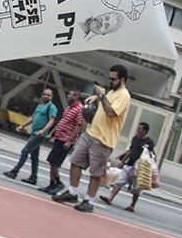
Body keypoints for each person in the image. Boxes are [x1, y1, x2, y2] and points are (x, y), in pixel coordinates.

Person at [53, 65, 131, 213]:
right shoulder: (112, 92)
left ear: (122, 79)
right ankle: (72, 192)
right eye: (110, 78)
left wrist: (102, 96)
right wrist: (97, 99)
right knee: (75, 161)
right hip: (91, 132)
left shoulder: (124, 95)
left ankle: (89, 201)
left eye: (114, 79)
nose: (111, 81)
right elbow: (102, 107)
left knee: (96, 172)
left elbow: (111, 113)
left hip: (104, 139)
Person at [3, 88, 58, 185]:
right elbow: (32, 118)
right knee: (34, 156)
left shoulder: (51, 107)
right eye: (44, 94)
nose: (46, 96)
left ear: (52, 97)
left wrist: (43, 130)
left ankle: (15, 171)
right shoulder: (40, 106)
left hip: (39, 134)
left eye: (48, 95)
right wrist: (22, 126)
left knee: (25, 150)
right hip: (34, 132)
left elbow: (51, 121)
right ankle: (33, 177)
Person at [99, 122, 155, 212]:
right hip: (129, 165)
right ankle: (110, 198)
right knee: (120, 182)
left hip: (139, 168)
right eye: (138, 128)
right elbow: (130, 150)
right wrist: (123, 161)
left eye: (140, 128)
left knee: (136, 188)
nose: (138, 130)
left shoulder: (149, 142)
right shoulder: (135, 138)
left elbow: (150, 155)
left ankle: (132, 205)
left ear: (145, 131)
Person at [38, 90, 85, 195]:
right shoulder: (69, 107)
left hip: (65, 139)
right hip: (59, 136)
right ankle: (52, 183)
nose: (68, 96)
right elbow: (62, 122)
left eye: (70, 95)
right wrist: (52, 133)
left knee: (54, 161)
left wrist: (70, 140)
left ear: (76, 96)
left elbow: (79, 125)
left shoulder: (79, 109)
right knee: (52, 161)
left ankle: (58, 182)